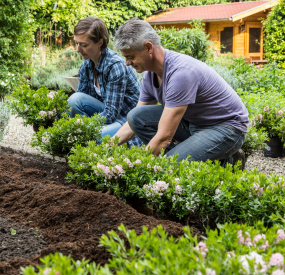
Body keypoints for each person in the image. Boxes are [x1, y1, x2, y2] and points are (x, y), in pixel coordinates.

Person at [113, 18, 249, 166]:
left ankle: (226, 159)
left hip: (225, 127)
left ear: (148, 48)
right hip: (194, 123)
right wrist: (107, 147)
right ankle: (203, 156)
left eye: (130, 57)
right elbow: (134, 122)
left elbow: (164, 137)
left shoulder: (181, 73)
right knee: (135, 116)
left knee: (168, 165)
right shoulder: (149, 75)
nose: (127, 63)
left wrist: (136, 168)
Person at [69, 16, 142, 146]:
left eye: (84, 45)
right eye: (76, 43)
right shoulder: (87, 65)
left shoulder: (115, 66)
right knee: (75, 99)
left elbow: (111, 113)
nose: (78, 49)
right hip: (106, 117)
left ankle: (97, 142)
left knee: (93, 138)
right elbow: (80, 98)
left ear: (100, 42)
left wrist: (85, 129)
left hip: (126, 122)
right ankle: (87, 141)